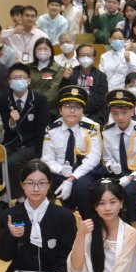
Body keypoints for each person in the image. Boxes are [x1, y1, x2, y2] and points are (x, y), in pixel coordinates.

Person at [42, 85, 104, 218]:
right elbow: (47, 159)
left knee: (82, 187)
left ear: (83, 111)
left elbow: (93, 160)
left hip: (84, 173)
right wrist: (61, 170)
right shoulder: (51, 129)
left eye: (77, 107)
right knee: (40, 182)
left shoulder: (92, 128)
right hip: (59, 172)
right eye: (68, 106)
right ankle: (49, 223)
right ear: (60, 110)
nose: (72, 111)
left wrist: (71, 178)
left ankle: (89, 223)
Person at [100, 88, 136, 221]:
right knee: (103, 190)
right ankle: (113, 226)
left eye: (124, 113)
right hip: (117, 174)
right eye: (115, 113)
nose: (120, 117)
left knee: (129, 192)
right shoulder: (107, 132)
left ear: (132, 111)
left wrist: (130, 178)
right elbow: (107, 158)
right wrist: (111, 166)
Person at [1, 63, 50, 196]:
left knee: (12, 163)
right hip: (12, 143)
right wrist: (11, 122)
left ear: (29, 80)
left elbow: (43, 129)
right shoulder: (4, 100)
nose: (18, 81)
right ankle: (3, 196)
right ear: (9, 81)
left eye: (21, 77)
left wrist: (40, 154)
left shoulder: (39, 100)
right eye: (14, 78)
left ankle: (19, 198)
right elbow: (8, 130)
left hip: (32, 144)